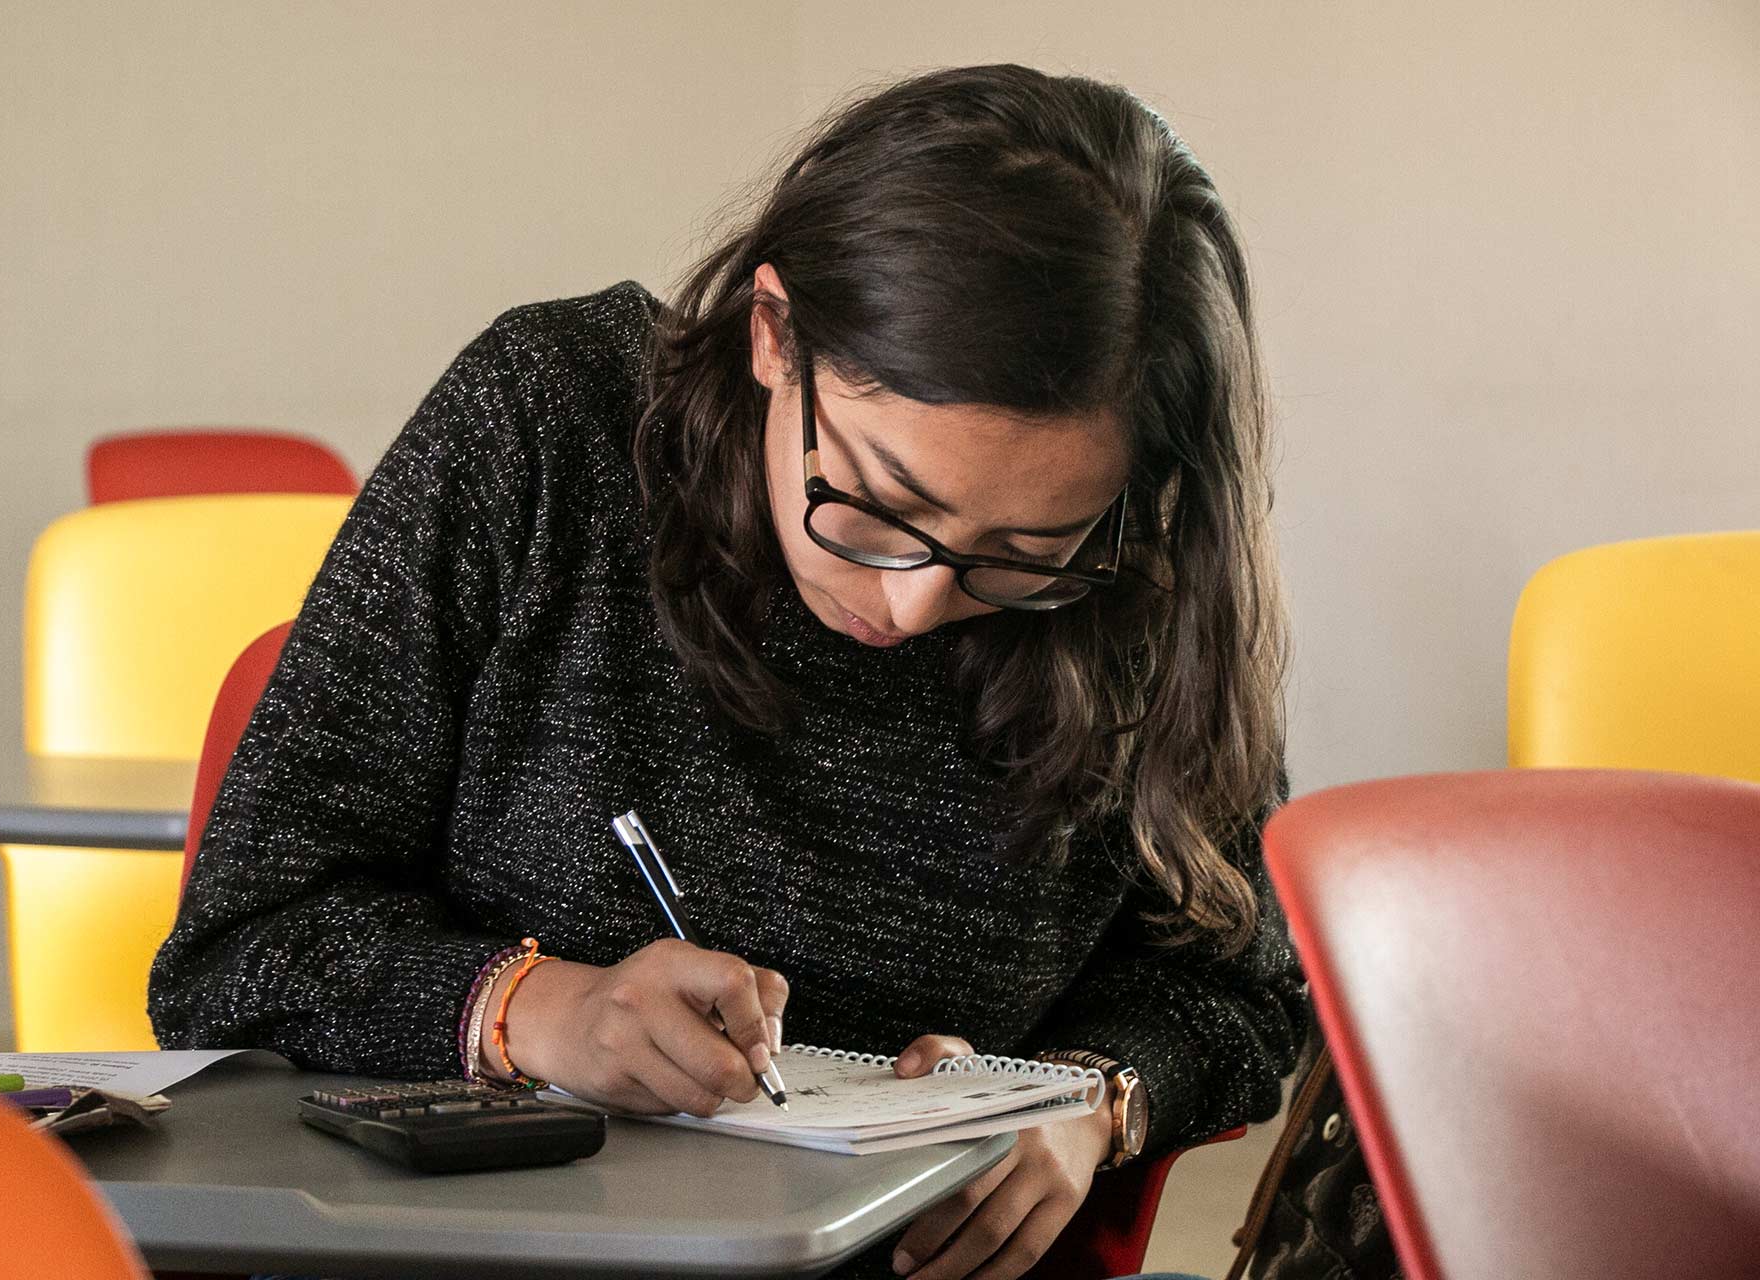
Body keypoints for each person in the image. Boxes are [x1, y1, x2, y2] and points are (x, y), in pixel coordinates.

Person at [151, 63, 1307, 1280]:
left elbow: (1240, 985)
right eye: (875, 504)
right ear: (774, 335)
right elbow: (239, 949)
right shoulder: (552, 427)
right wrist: (543, 1011)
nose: (916, 600)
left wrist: (1084, 1097)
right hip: (467, 1251)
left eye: (1022, 556)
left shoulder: (1142, 579)